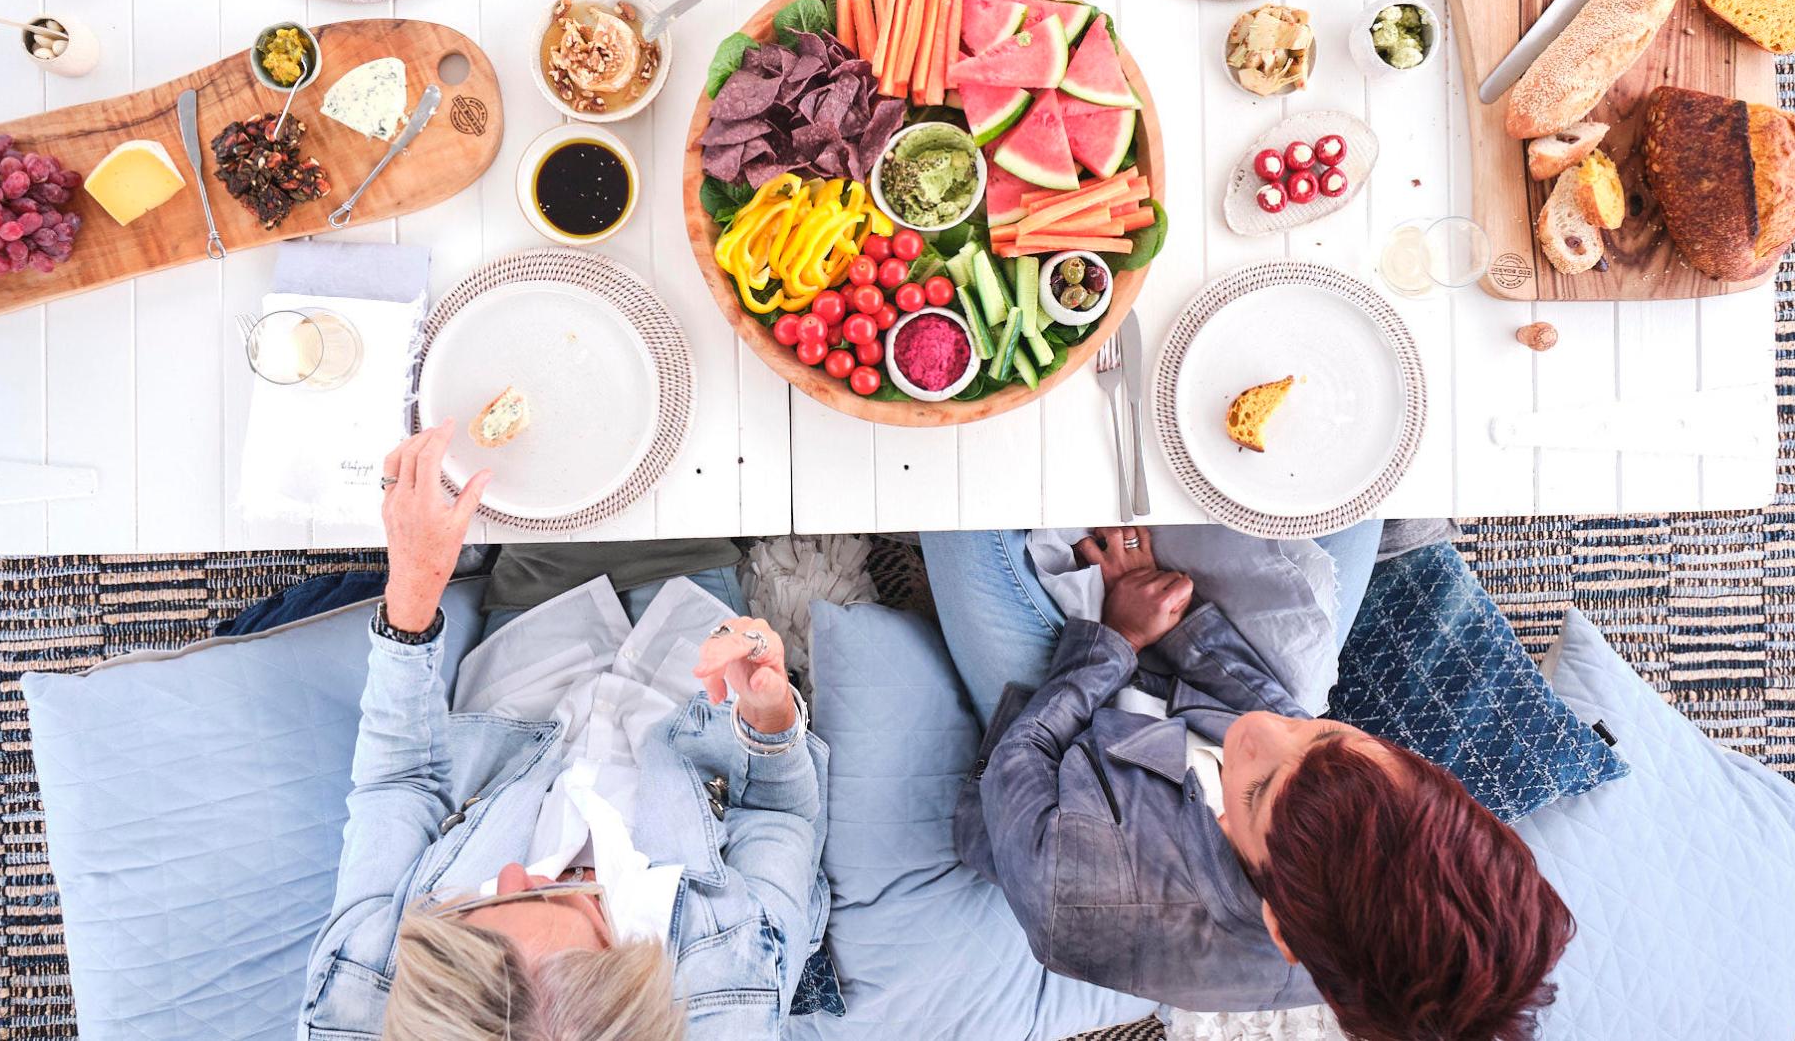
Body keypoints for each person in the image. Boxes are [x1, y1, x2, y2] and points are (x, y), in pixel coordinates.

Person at [923, 524, 1574, 1039]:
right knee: (1342, 490)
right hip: (1168, 705)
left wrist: (1115, 636)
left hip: (1052, 740)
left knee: (962, 481)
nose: (1260, 732)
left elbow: (1019, 762)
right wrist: (1167, 607)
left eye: (1259, 792)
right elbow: (1269, 711)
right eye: (1327, 735)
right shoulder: (1347, 893)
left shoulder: (1078, 882)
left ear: (1281, 928)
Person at [298, 421, 826, 1040]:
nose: (515, 875)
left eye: (475, 904)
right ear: (635, 964)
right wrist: (769, 720)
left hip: (525, 701)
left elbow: (398, 782)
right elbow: (781, 815)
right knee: (702, 451)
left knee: (537, 459)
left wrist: (411, 599)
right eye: (552, 899)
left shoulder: (365, 990)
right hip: (699, 694)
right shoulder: (732, 985)